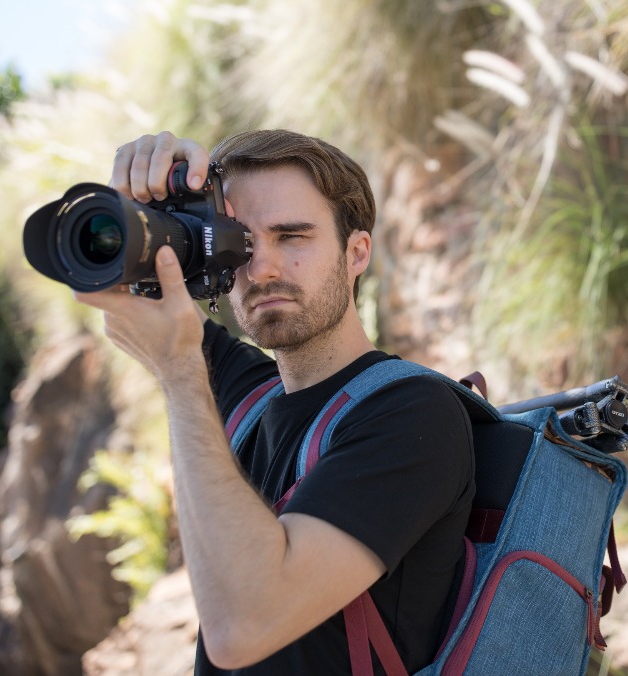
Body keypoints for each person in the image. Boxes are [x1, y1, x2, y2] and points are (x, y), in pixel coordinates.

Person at [75, 129, 475, 675]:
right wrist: (140, 198)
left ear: (356, 253)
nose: (261, 268)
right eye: (240, 241)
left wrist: (179, 376)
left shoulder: (414, 415)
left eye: (292, 237)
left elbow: (243, 628)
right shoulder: (249, 398)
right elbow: (124, 291)